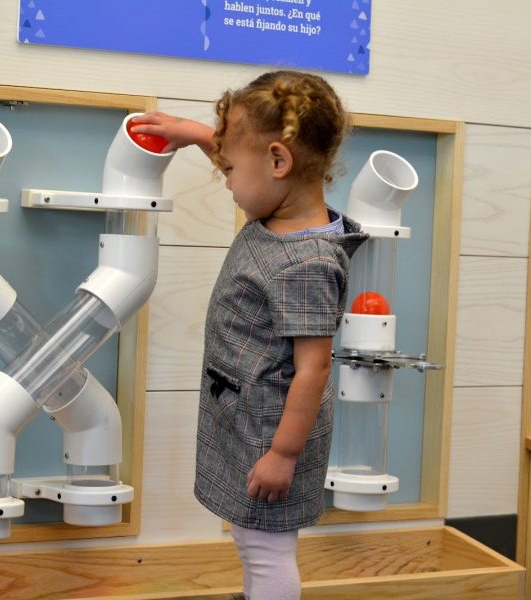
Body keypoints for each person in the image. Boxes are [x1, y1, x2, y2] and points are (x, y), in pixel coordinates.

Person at [131, 71, 368, 600]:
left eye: (231, 169)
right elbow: (247, 160)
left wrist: (283, 454)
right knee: (251, 533)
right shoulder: (280, 208)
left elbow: (315, 367)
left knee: (267, 545)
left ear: (279, 162)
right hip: (249, 407)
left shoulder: (304, 262)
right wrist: (193, 133)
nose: (228, 179)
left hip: (273, 426)